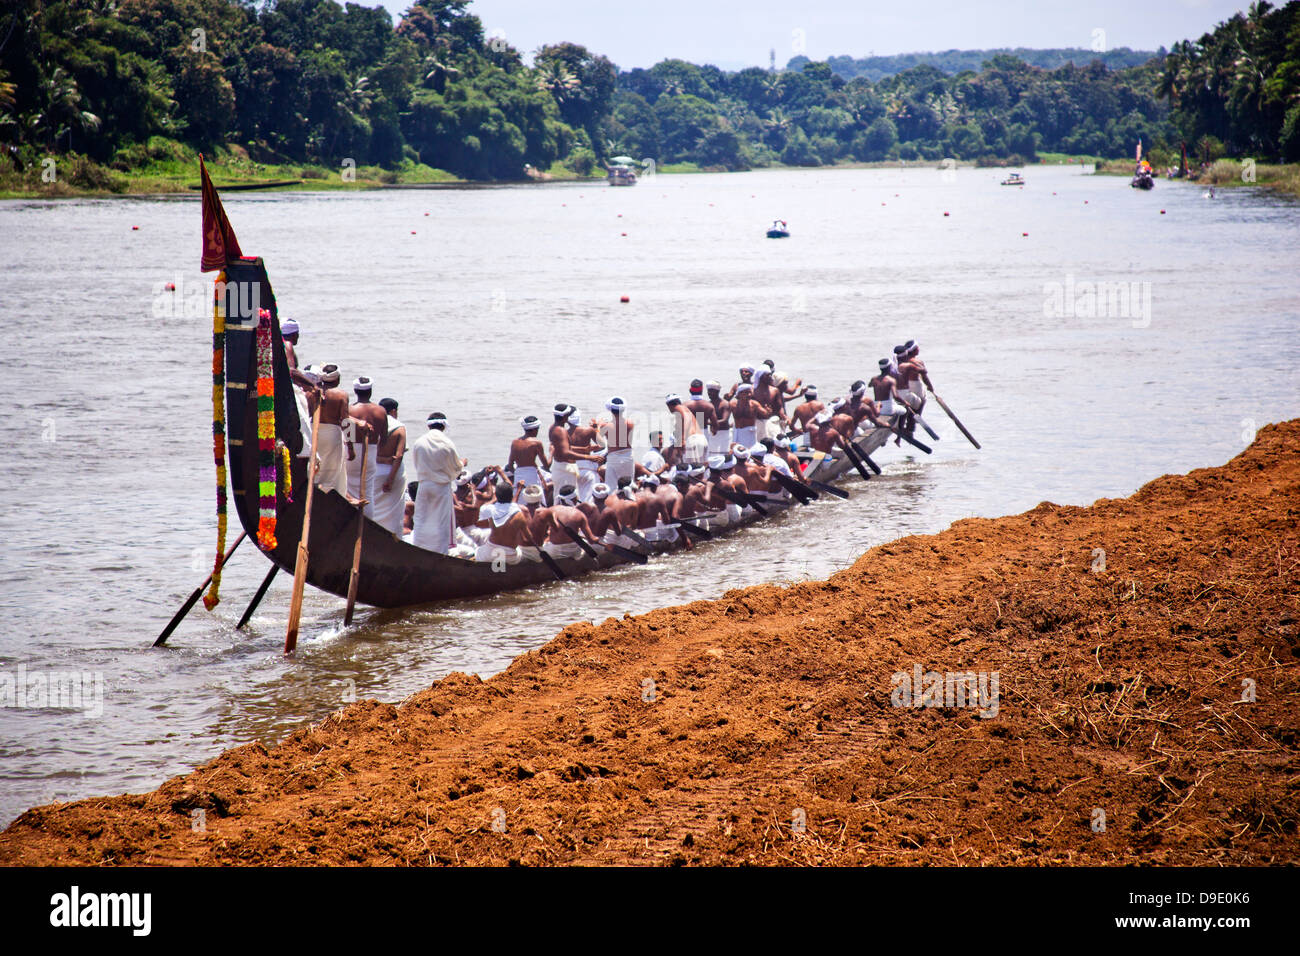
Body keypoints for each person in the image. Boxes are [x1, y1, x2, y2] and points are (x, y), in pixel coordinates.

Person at [408, 412, 464, 554]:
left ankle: (419, 549)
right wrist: (463, 464)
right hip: (441, 487)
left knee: (422, 519)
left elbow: (417, 464)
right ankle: (439, 552)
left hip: (424, 485)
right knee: (440, 522)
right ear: (444, 426)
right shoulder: (447, 443)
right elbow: (456, 469)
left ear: (428, 425)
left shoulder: (419, 442)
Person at [345, 376, 387, 518]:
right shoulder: (380, 411)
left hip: (351, 452)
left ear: (355, 391)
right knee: (367, 492)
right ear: (370, 391)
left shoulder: (350, 410)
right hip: (370, 452)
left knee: (349, 488)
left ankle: (352, 519)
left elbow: (347, 435)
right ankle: (367, 521)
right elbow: (384, 438)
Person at [474, 483, 542, 565]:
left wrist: (494, 498)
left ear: (496, 496)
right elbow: (529, 537)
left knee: (477, 550)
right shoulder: (518, 513)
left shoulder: (490, 509)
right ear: (511, 496)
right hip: (510, 557)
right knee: (519, 551)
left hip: (490, 554)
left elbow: (482, 509)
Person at [312, 364, 352, 497]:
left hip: (314, 432)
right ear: (337, 379)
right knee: (333, 473)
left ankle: (315, 495)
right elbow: (345, 421)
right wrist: (350, 446)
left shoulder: (312, 391)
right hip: (332, 434)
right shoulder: (341, 395)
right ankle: (330, 499)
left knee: (316, 469)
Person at [550, 403, 602, 502]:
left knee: (567, 498)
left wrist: (584, 449)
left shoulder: (557, 429)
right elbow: (602, 445)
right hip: (576, 469)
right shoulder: (562, 431)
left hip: (568, 467)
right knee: (587, 500)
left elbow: (565, 448)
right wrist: (588, 456)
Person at [372, 397, 407, 535]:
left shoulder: (372, 423)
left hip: (374, 470)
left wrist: (382, 459)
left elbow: (366, 451)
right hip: (392, 471)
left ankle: (373, 536)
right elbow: (399, 456)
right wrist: (390, 479)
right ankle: (393, 540)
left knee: (373, 507)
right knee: (394, 512)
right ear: (393, 411)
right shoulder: (399, 427)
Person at [539, 485, 599, 560]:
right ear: (575, 498)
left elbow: (541, 533)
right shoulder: (579, 514)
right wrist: (597, 539)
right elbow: (591, 540)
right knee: (584, 543)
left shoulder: (550, 510)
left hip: (553, 551)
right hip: (573, 551)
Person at [567, 407, 605, 504]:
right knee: (589, 502)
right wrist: (596, 429)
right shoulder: (588, 430)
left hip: (571, 468)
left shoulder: (563, 433)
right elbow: (602, 445)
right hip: (587, 468)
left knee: (574, 501)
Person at [507, 415, 551, 497]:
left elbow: (510, 466)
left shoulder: (515, 442)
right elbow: (547, 466)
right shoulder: (536, 443)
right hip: (532, 475)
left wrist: (518, 474)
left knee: (520, 501)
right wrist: (552, 453)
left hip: (518, 475)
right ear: (535, 429)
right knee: (535, 499)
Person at [598, 396, 635, 490]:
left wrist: (598, 426)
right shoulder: (630, 423)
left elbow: (598, 441)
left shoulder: (605, 426)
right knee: (628, 484)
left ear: (611, 410)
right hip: (628, 456)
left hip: (613, 457)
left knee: (611, 487)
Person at [666, 393, 709, 466]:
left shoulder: (678, 408)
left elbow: (686, 420)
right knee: (701, 470)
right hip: (701, 439)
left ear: (669, 405)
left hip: (692, 440)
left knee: (692, 471)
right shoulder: (686, 410)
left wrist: (682, 440)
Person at [704, 380, 733, 455]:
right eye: (708, 391)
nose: (709, 393)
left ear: (717, 392)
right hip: (712, 434)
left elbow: (724, 420)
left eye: (711, 391)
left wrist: (707, 423)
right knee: (713, 456)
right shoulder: (707, 404)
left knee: (724, 455)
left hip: (724, 434)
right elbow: (702, 419)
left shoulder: (725, 404)